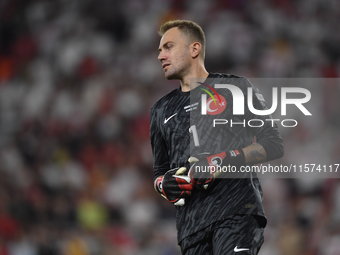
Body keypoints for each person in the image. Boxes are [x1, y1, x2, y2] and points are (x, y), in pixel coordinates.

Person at [150, 20, 284, 255]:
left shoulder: (236, 87)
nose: (161, 55)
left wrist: (220, 160)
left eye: (168, 47)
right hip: (191, 227)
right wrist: (165, 185)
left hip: (236, 211)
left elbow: (273, 143)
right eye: (160, 50)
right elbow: (159, 172)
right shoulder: (160, 110)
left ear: (194, 49)